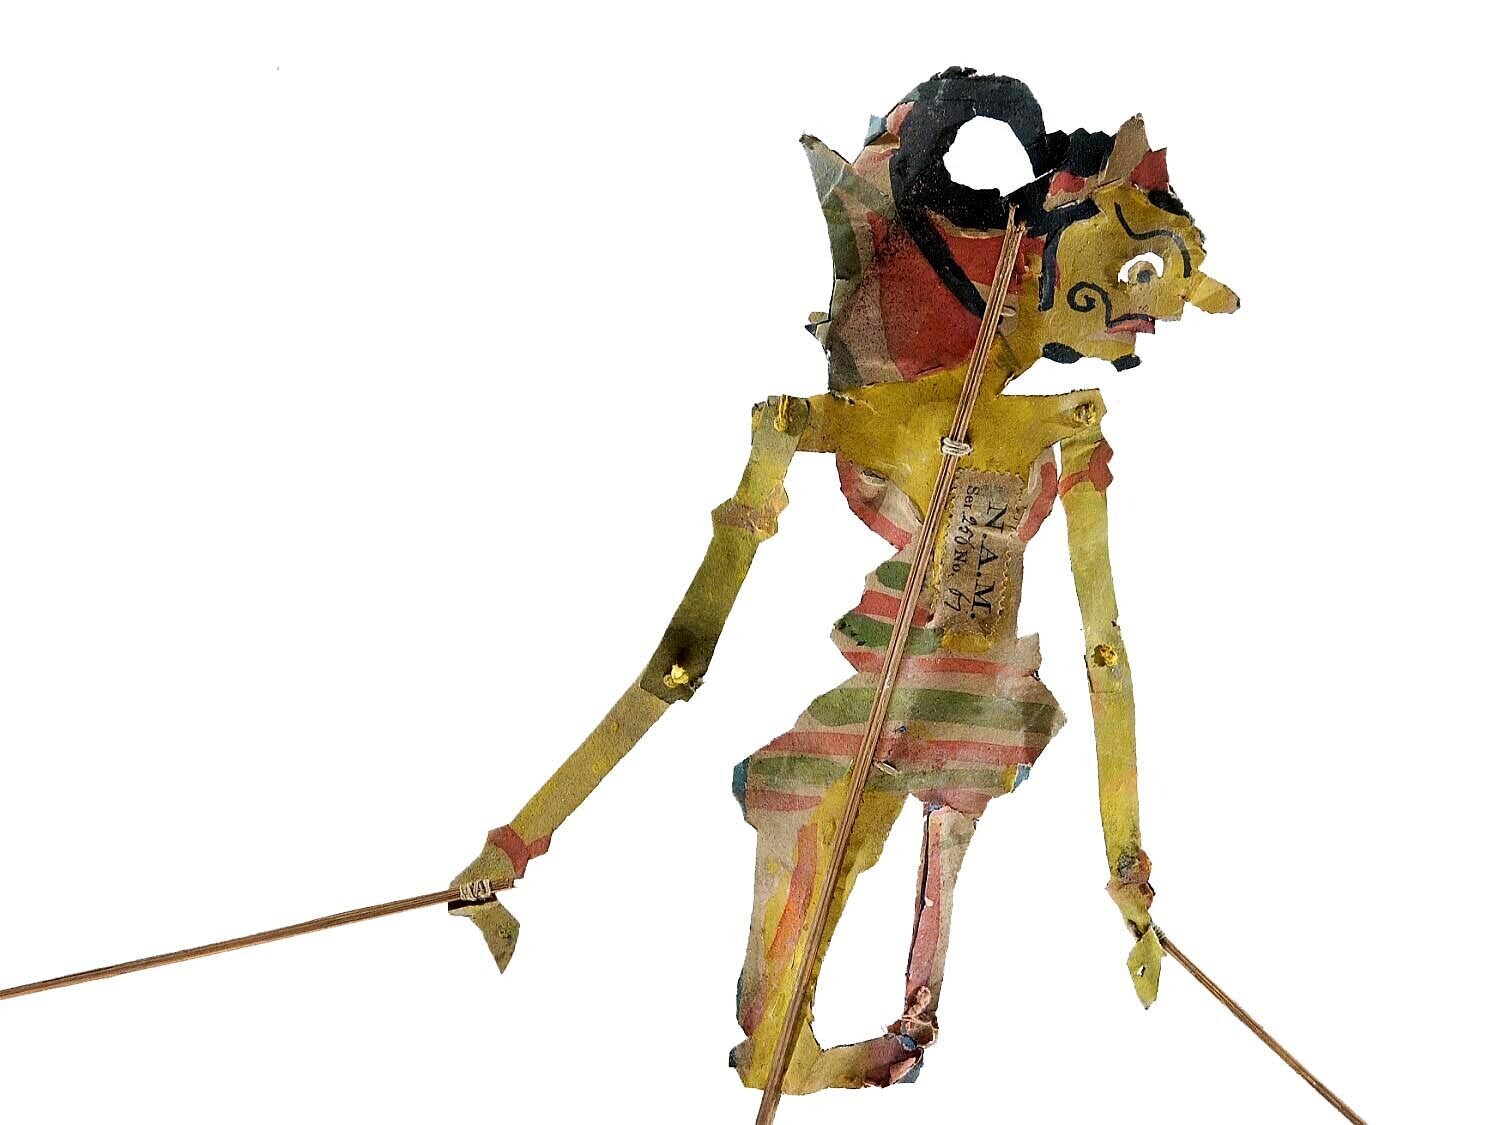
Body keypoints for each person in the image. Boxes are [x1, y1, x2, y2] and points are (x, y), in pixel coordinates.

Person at [450, 68, 1239, 1096]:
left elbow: (1105, 650)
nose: (1195, 305)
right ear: (1040, 246)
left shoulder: (1065, 428)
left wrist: (1129, 871)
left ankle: (860, 1027)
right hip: (939, 696)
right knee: (816, 808)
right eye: (1146, 269)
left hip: (961, 700)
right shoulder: (1001, 426)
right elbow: (684, 656)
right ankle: (853, 1031)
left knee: (829, 803)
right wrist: (518, 840)